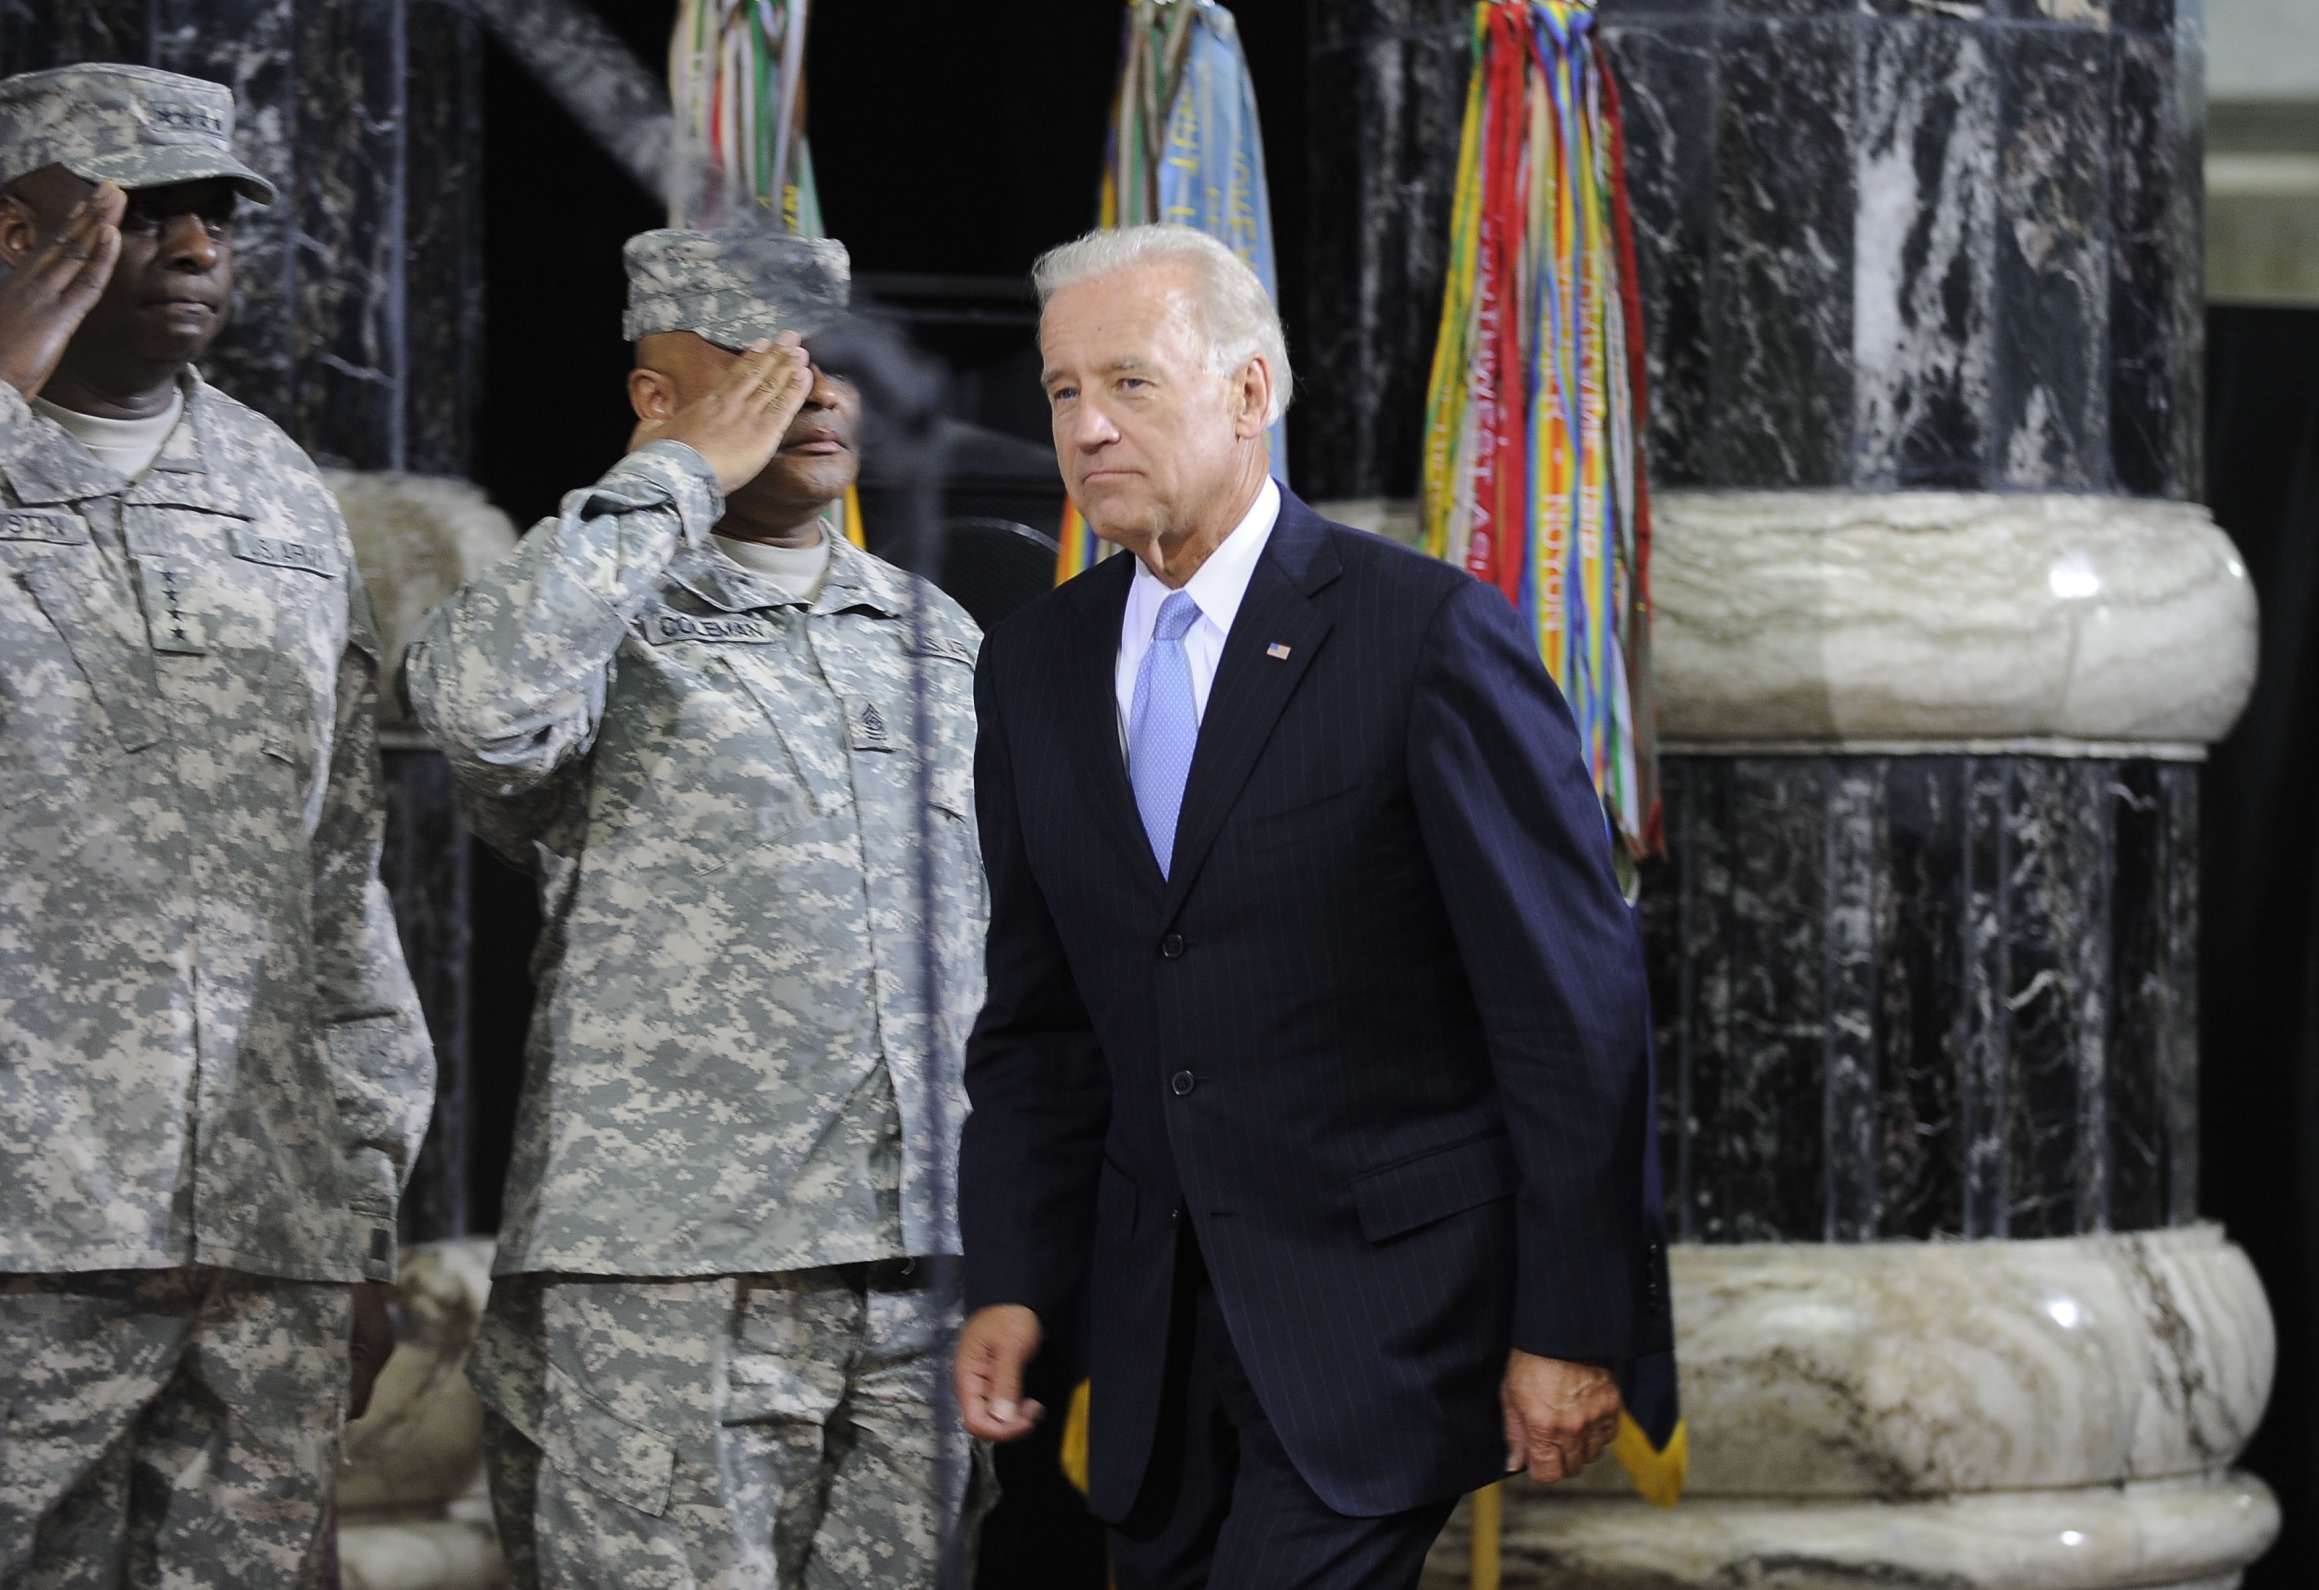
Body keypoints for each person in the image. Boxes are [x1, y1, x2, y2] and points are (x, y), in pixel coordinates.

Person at [952, 224, 1672, 1589]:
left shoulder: (1425, 636)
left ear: (1248, 392)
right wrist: (1016, 1279)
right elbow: (1041, 1021)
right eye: (1061, 393)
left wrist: (1574, 1322)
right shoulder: (1034, 663)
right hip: (1156, 1345)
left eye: (1130, 384)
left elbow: (1571, 1011)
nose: (1089, 428)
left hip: (1382, 1327)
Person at [405, 228, 989, 1590]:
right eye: (759, 361)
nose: (814, 389)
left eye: (834, 360)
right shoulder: (600, 609)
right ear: (655, 397)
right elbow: (479, 704)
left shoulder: (934, 635)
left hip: (916, 1268)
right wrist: (672, 485)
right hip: (671, 1275)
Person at [0, 63, 437, 1587]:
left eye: (217, 218)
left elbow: (338, 872)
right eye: (141, 213)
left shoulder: (278, 495)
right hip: (26, 1238)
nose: (194, 248)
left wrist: (357, 1210)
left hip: (264, 1233)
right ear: (17, 233)